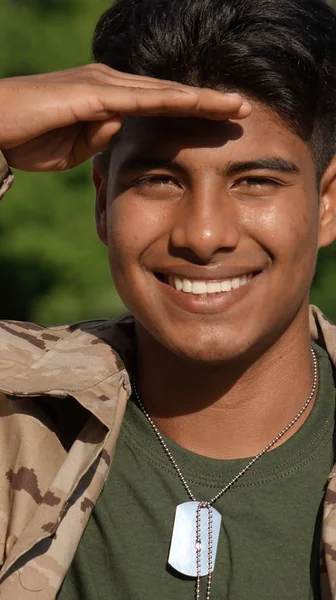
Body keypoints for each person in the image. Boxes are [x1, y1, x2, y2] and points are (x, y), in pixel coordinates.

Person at [1, 0, 336, 597]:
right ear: (102, 201)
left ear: (327, 201)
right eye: (158, 181)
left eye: (256, 181)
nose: (203, 236)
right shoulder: (13, 417)